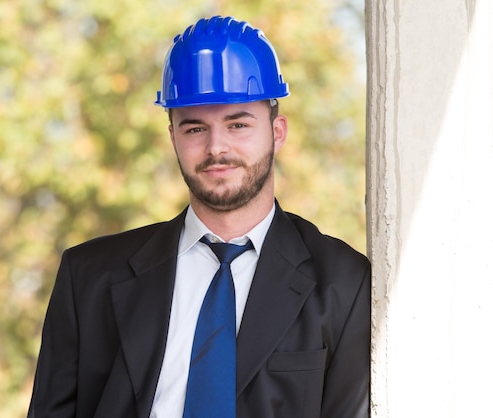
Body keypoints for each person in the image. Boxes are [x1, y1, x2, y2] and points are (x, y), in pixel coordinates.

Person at [27, 15, 370, 418]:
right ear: (172, 135)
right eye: (194, 129)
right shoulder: (88, 276)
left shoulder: (343, 283)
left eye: (238, 124)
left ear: (277, 132)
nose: (216, 148)